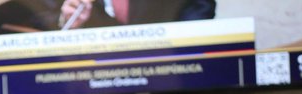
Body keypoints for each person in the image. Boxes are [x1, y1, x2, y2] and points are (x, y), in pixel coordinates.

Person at [59, 0, 216, 30]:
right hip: (92, 87)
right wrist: (71, 22)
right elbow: (53, 23)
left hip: (170, 75)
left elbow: (199, 8)